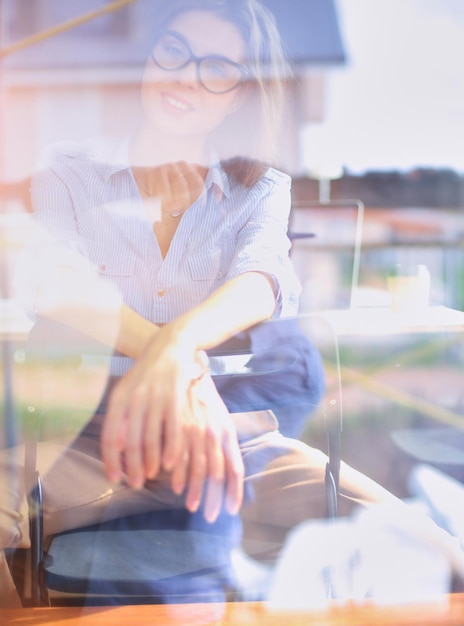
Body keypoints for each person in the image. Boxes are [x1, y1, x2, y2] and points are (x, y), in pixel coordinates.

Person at [2, 0, 461, 607]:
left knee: (436, 550)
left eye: (216, 68)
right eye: (174, 53)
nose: (186, 77)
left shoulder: (262, 189)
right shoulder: (70, 170)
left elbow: (262, 279)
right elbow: (56, 283)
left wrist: (174, 351)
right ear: (148, 58)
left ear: (239, 93)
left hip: (234, 445)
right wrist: (178, 365)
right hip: (94, 440)